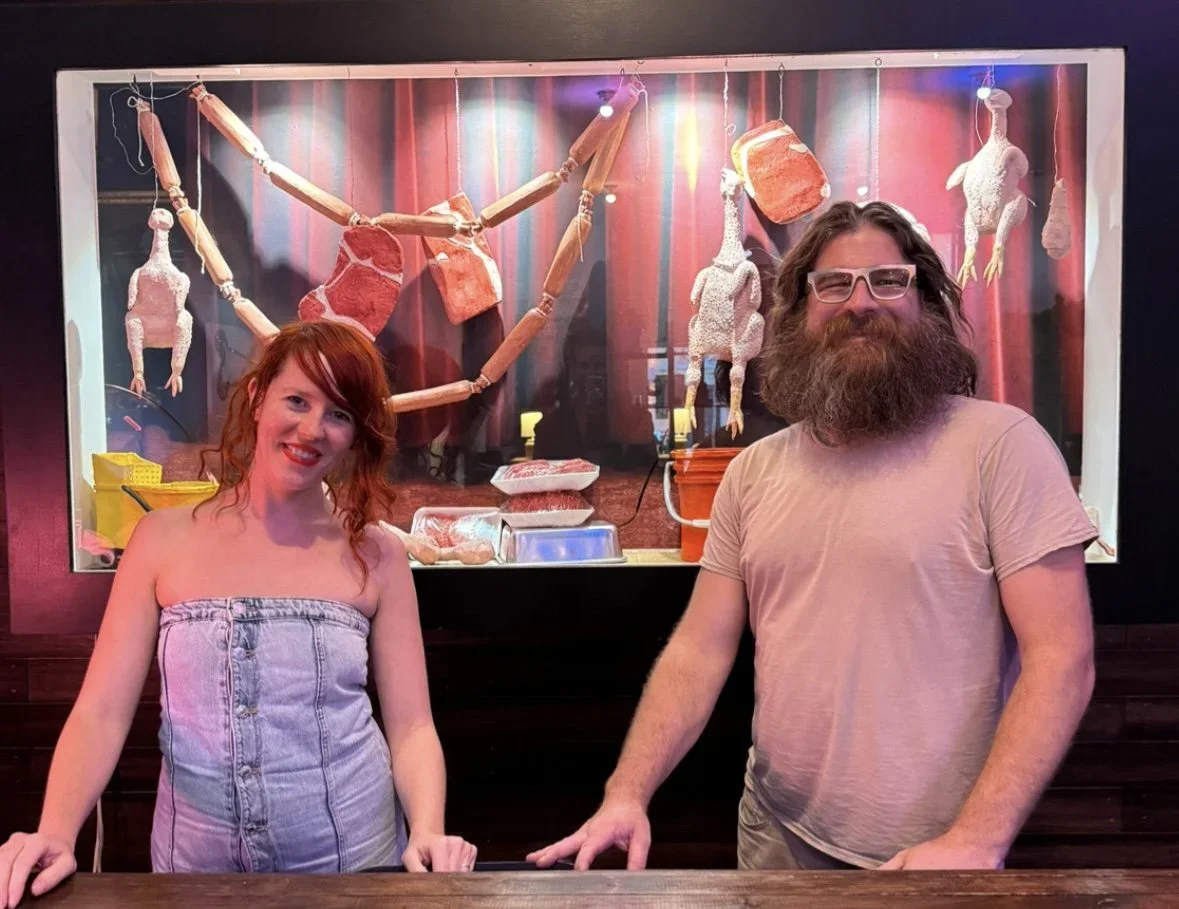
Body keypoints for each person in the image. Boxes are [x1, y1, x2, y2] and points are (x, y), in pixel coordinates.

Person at [528, 201, 1097, 872]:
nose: (861, 302)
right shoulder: (753, 473)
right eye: (833, 284)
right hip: (775, 836)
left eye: (887, 280)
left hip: (939, 856)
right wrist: (625, 792)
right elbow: (698, 649)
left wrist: (978, 837)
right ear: (796, 311)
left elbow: (1061, 658)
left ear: (925, 303)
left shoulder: (1001, 447)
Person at [0, 321, 476, 908]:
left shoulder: (377, 552)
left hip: (356, 868)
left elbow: (411, 727)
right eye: (297, 400)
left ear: (355, 435)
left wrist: (427, 828)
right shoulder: (162, 538)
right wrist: (55, 831)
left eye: (339, 414)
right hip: (194, 873)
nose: (312, 429)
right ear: (257, 399)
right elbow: (101, 712)